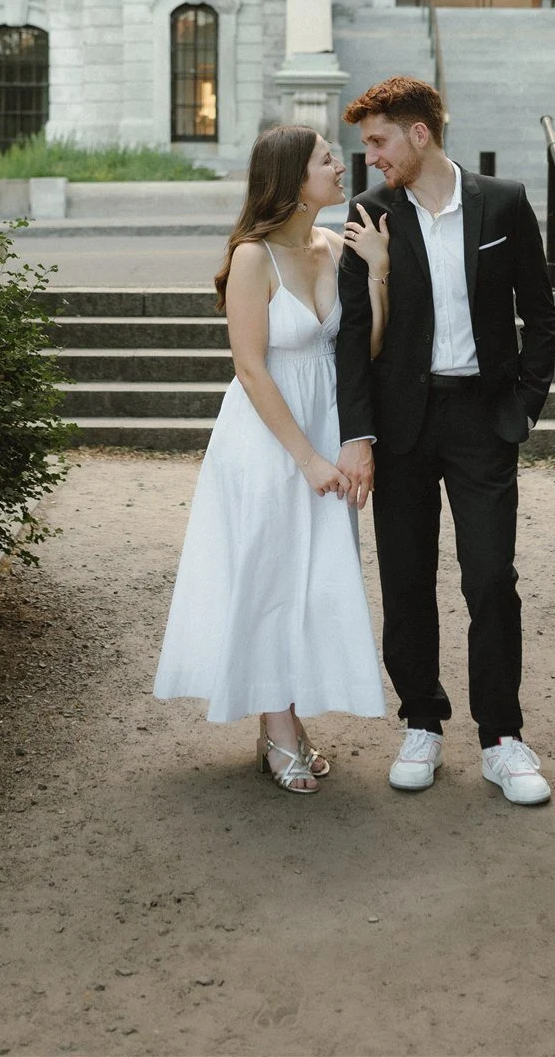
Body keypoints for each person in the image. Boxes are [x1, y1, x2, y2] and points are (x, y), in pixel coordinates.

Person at [333, 77, 555, 806]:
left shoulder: (503, 201)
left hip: (482, 419)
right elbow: (348, 335)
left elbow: (541, 310)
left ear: (418, 135)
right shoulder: (369, 213)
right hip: (402, 423)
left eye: (377, 142)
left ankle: (501, 738)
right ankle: (421, 721)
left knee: (490, 577)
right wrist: (357, 434)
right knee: (404, 580)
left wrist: (523, 404)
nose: (368, 157)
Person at [153, 125, 390, 792]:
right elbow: (251, 369)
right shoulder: (252, 257)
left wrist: (376, 271)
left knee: (311, 577)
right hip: (268, 434)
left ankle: (276, 724)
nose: (340, 169)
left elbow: (364, 349)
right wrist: (308, 460)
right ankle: (279, 727)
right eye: (325, 160)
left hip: (327, 417)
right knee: (268, 570)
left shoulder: (334, 245)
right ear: (290, 178)